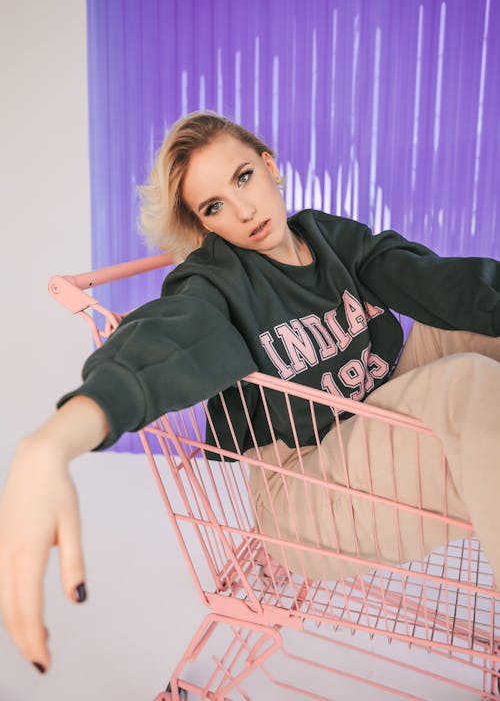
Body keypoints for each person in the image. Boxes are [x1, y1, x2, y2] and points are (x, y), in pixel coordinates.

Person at [1, 111, 500, 674]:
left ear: (269, 166)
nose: (242, 211)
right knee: (469, 384)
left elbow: (441, 282)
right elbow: (168, 338)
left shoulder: (330, 238)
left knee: (463, 327)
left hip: (369, 428)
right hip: (304, 494)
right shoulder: (217, 283)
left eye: (242, 178)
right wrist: (50, 443)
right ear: (205, 225)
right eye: (213, 206)